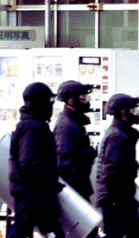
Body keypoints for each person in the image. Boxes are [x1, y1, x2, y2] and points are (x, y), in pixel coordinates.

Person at [8, 82, 65, 238]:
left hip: (34, 192)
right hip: (33, 193)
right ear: (39, 103)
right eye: (48, 102)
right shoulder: (33, 127)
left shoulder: (33, 124)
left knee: (33, 229)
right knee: (24, 229)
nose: (51, 107)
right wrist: (48, 181)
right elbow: (29, 163)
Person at [95, 93, 139, 238]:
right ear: (123, 113)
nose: (136, 114)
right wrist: (118, 202)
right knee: (122, 234)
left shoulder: (120, 134)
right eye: (132, 110)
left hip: (116, 199)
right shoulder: (117, 137)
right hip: (116, 200)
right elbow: (112, 173)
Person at [53, 80, 96, 201]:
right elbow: (64, 168)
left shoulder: (74, 123)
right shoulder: (67, 127)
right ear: (70, 100)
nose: (87, 101)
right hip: (75, 192)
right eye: (82, 98)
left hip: (79, 189)